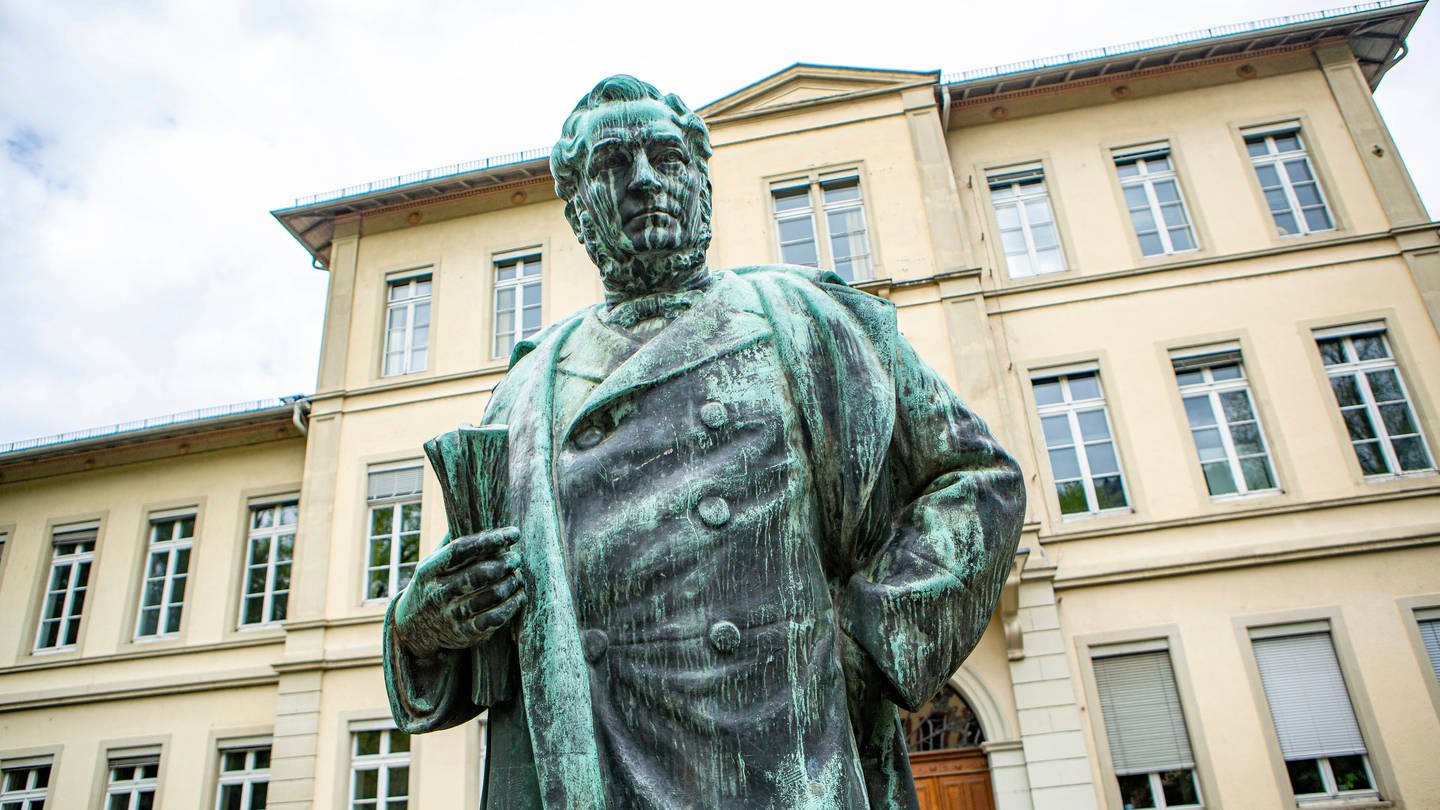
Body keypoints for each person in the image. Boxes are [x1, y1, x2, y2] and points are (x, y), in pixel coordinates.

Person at [383, 75, 1025, 810]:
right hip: (594, 771)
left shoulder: (805, 323)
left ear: (703, 184)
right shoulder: (526, 390)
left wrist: (863, 644)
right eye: (612, 166)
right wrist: (422, 625)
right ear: (578, 211)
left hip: (778, 760)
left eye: (666, 157)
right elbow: (489, 610)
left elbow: (979, 480)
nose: (644, 180)